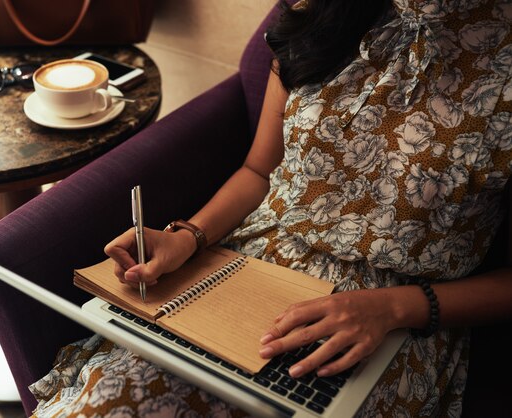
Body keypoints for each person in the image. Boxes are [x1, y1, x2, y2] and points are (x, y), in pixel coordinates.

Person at [29, 0, 512, 416]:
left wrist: (394, 307)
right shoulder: (322, 14)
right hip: (249, 269)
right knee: (112, 403)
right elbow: (260, 172)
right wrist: (186, 237)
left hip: (392, 321)